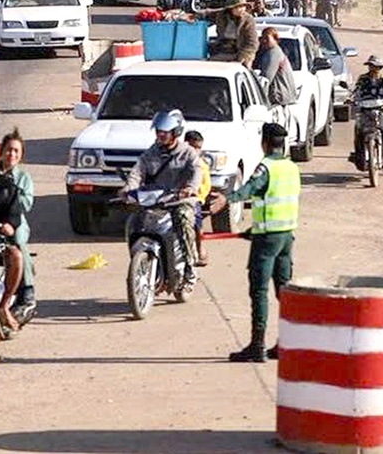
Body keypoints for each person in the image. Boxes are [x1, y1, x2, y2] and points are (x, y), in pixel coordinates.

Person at [209, 123, 299, 362]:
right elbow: (278, 203)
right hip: (286, 237)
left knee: (258, 291)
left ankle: (257, 346)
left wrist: (225, 199)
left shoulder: (266, 167)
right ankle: (287, 343)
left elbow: (249, 190)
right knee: (284, 292)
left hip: (267, 240)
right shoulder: (291, 167)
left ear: (265, 143)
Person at [119, 110, 201, 282]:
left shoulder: (188, 153)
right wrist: (128, 188)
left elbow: (196, 172)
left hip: (179, 200)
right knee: (134, 223)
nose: (161, 135)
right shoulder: (151, 153)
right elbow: (137, 172)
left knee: (184, 219)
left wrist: (190, 188)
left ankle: (189, 266)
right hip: (154, 200)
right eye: (158, 132)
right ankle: (141, 264)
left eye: (165, 132)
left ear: (176, 132)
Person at [0, 130, 37, 331]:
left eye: (16, 151)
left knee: (18, 247)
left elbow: (26, 204)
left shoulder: (23, 178)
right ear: (1, 152)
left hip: (14, 223)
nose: (11, 154)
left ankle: (27, 293)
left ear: (20, 155)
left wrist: (10, 194)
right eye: (8, 150)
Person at [351, 56, 383, 168]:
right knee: (358, 130)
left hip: (381, 109)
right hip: (365, 110)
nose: (373, 69)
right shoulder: (362, 78)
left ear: (380, 67)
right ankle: (359, 154)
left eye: (376, 66)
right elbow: (356, 90)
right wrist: (351, 98)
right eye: (371, 66)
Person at [200, 0, 259, 68]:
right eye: (237, 7)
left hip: (242, 51)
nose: (241, 9)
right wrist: (192, 16)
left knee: (244, 69)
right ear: (230, 8)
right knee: (210, 65)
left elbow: (252, 42)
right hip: (224, 50)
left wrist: (243, 57)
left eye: (243, 6)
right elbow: (206, 13)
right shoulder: (221, 15)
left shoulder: (248, 20)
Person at [183, 131, 212, 266]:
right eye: (192, 147)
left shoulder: (201, 164)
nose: (196, 151)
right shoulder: (178, 161)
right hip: (176, 197)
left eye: (198, 148)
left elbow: (206, 183)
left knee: (197, 225)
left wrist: (199, 196)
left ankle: (201, 249)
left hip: (195, 199)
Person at [255, 27, 297, 111]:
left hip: (278, 99)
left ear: (275, 39)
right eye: (262, 38)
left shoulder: (273, 53)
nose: (263, 41)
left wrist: (261, 101)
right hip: (284, 98)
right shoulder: (274, 52)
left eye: (267, 38)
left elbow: (266, 79)